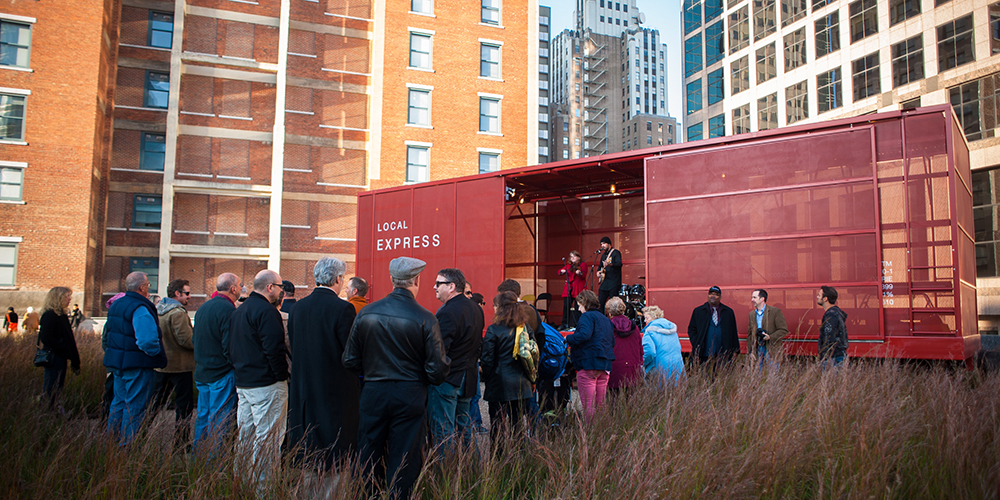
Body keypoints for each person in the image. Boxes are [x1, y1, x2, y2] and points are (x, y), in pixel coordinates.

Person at [343, 256, 447, 500]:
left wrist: (370, 372)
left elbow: (349, 359)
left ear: (392, 279)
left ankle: (367, 495)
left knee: (368, 454)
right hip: (410, 394)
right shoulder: (426, 318)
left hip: (374, 391)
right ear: (417, 280)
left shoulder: (366, 313)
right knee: (405, 459)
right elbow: (438, 370)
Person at [287, 257, 359, 469]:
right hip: (334, 390)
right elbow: (351, 352)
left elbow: (293, 344)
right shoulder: (343, 309)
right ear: (338, 279)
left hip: (302, 388)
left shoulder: (298, 308)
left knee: (306, 449)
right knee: (334, 452)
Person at [230, 269, 290, 480]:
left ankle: (241, 482)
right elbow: (274, 349)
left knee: (245, 436)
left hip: (244, 383)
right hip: (266, 384)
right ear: (270, 287)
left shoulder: (239, 311)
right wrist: (281, 376)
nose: (282, 292)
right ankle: (263, 488)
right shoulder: (267, 312)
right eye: (281, 287)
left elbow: (229, 347)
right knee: (268, 439)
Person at [104, 272, 168, 445]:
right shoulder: (140, 307)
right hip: (137, 364)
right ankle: (128, 446)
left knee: (118, 403)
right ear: (142, 287)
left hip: (118, 363)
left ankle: (112, 444)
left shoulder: (117, 305)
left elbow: (109, 334)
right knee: (134, 407)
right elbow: (147, 340)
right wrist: (155, 354)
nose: (148, 288)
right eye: (148, 285)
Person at [429, 268, 482, 448]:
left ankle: (447, 466)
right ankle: (470, 463)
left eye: (438, 283)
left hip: (449, 378)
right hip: (468, 376)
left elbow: (439, 350)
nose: (434, 287)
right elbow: (477, 344)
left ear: (451, 287)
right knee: (464, 427)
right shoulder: (476, 308)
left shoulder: (447, 311)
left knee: (443, 429)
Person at [480, 291, 534, 455]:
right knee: (518, 424)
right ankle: (519, 458)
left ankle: (498, 458)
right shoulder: (525, 327)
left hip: (499, 383)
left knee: (497, 425)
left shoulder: (494, 329)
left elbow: (487, 359)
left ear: (501, 308)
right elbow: (532, 352)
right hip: (521, 382)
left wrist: (486, 377)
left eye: (495, 305)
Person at [192, 273, 241, 451]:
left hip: (203, 370)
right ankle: (214, 460)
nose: (241, 288)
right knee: (220, 420)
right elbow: (229, 345)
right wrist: (234, 365)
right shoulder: (228, 310)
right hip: (221, 373)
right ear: (233, 289)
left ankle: (198, 456)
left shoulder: (204, 307)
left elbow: (194, 339)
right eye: (240, 285)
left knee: (203, 417)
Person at [149, 279, 196, 435]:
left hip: (161, 365)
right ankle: (181, 439)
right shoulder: (177, 313)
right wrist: (200, 343)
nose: (189, 296)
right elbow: (186, 339)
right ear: (177, 293)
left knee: (154, 403)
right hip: (180, 366)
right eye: (187, 293)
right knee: (184, 406)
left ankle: (140, 434)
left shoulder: (158, 310)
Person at [565, 290, 615, 421]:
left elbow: (584, 335)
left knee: (589, 406)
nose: (579, 309)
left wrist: (568, 339)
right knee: (601, 405)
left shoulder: (586, 317)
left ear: (584, 303)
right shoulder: (606, 319)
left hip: (588, 363)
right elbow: (612, 341)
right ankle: (602, 430)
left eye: (579, 305)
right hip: (605, 364)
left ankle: (590, 431)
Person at [38, 287, 80, 412]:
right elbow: (45, 337)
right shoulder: (50, 315)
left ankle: (52, 409)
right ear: (58, 298)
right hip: (54, 357)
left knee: (58, 387)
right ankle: (46, 412)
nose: (70, 299)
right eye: (67, 296)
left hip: (61, 357)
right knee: (51, 387)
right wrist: (63, 348)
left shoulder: (61, 315)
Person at [687, 285, 739, 366]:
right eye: (711, 294)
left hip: (723, 354)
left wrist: (735, 350)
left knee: (721, 373)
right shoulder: (698, 311)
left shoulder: (728, 312)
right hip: (704, 354)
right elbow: (692, 329)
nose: (713, 296)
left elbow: (733, 332)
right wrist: (696, 343)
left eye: (716, 294)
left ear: (720, 297)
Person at [605, 297, 643, 397]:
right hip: (632, 368)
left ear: (609, 312)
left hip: (614, 367)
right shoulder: (634, 327)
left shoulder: (607, 327)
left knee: (613, 400)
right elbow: (640, 349)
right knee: (630, 401)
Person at [641, 306, 684, 384]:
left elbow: (650, 352)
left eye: (647, 318)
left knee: (658, 390)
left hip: (658, 368)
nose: (645, 320)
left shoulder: (649, 332)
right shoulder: (672, 330)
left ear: (654, 317)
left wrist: (641, 363)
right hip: (677, 366)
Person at [747, 289, 789, 368]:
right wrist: (750, 351)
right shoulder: (751, 314)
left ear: (762, 299)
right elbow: (749, 335)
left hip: (771, 349)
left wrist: (770, 337)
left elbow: (783, 330)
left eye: (754, 297)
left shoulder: (775, 312)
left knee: (772, 373)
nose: (752, 300)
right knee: (758, 374)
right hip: (757, 349)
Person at [817, 286, 848, 369]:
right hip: (838, 355)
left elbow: (829, 338)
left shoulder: (830, 316)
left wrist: (824, 357)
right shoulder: (836, 313)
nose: (817, 297)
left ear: (825, 299)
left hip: (833, 358)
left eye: (819, 295)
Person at [557, 250, 588, 329]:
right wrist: (562, 271)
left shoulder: (582, 264)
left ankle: (579, 324)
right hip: (569, 288)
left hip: (578, 288)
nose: (572, 258)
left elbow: (583, 275)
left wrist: (579, 273)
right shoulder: (568, 266)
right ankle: (564, 324)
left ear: (579, 257)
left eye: (574, 256)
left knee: (578, 308)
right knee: (566, 307)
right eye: (571, 256)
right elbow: (559, 272)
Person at [596, 237, 622, 315]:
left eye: (604, 243)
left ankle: (613, 319)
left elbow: (619, 264)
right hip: (604, 282)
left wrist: (610, 264)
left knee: (613, 304)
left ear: (609, 244)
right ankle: (601, 318)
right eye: (601, 244)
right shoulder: (603, 255)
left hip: (614, 282)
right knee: (600, 302)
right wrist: (598, 272)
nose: (602, 245)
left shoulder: (616, 253)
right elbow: (600, 266)